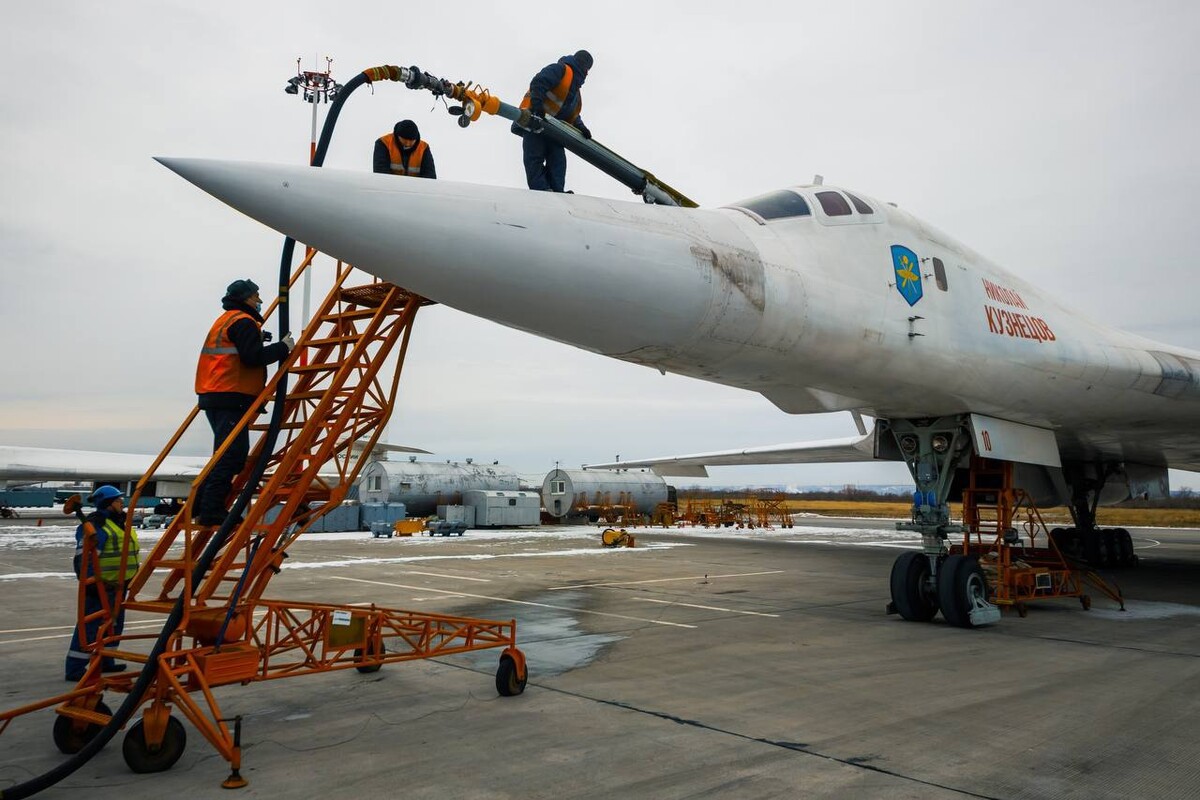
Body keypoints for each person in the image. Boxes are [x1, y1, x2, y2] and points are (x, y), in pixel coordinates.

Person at [193, 279, 293, 526]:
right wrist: (282, 348)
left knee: (225, 454)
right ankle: (210, 510)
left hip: (216, 394)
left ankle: (200, 505)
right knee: (231, 457)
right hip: (230, 395)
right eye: (256, 297)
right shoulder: (243, 322)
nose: (260, 302)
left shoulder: (227, 320)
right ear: (247, 298)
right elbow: (253, 358)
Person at [65, 486, 138, 680]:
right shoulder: (97, 526)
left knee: (114, 626)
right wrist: (90, 582)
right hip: (101, 587)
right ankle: (75, 669)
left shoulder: (119, 523)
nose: (122, 503)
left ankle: (107, 660)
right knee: (89, 626)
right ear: (107, 503)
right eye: (117, 501)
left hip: (119, 586)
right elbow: (86, 558)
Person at [512, 50, 594, 192]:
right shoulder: (561, 70)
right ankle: (542, 190)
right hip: (535, 122)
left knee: (558, 161)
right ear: (583, 66)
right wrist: (537, 106)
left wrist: (582, 128)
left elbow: (572, 113)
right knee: (534, 159)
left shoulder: (575, 90)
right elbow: (539, 82)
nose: (587, 73)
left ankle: (556, 192)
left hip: (552, 130)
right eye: (587, 69)